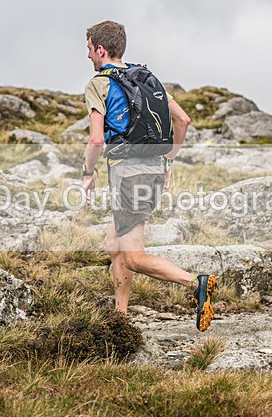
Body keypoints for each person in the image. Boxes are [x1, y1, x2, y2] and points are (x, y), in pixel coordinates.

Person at [80, 20, 218, 332]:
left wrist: (88, 173)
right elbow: (183, 119)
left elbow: (97, 139)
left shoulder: (99, 84)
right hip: (153, 170)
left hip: (128, 175)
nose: (87, 55)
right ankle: (121, 317)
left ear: (100, 50)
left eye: (89, 49)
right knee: (115, 243)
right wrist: (168, 160)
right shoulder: (146, 78)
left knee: (133, 257)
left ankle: (196, 283)